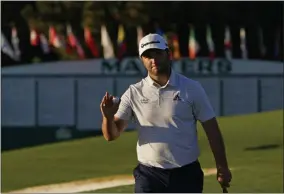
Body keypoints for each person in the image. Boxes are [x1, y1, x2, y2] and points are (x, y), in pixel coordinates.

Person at [100, 33, 232, 193]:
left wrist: (222, 167)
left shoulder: (191, 88)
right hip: (149, 175)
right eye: (147, 55)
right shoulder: (133, 92)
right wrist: (107, 117)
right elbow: (111, 135)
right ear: (142, 60)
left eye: (157, 53)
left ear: (168, 54)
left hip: (186, 174)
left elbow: (212, 130)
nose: (153, 59)